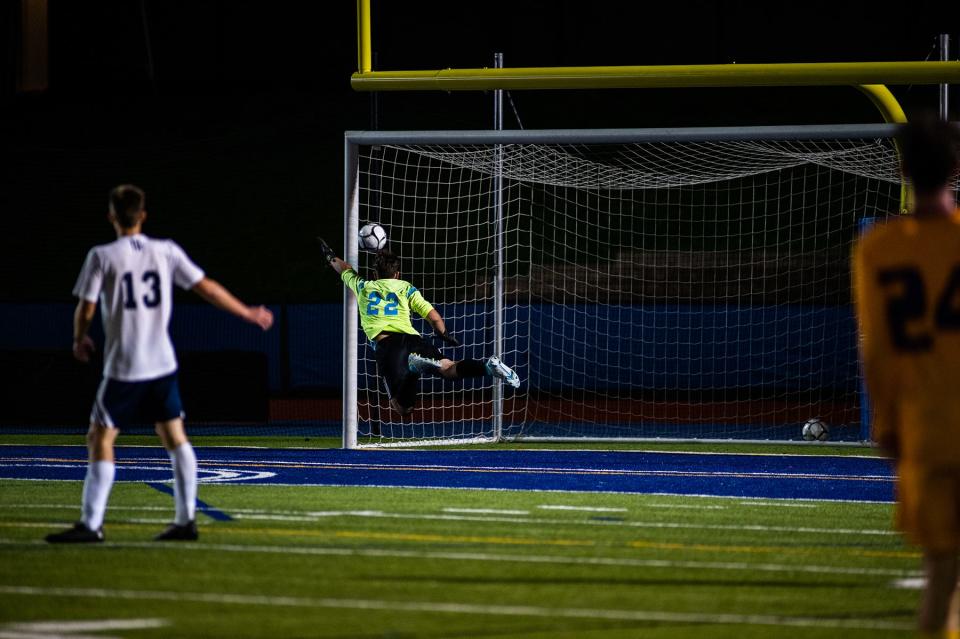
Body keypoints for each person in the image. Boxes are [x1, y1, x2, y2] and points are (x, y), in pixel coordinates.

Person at [46, 185, 274, 543]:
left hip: (124, 366)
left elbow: (87, 307)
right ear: (143, 216)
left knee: (100, 436)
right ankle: (186, 520)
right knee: (174, 437)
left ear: (111, 216)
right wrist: (247, 312)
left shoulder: (102, 256)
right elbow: (207, 287)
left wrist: (79, 339)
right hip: (162, 364)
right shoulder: (165, 251)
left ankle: (91, 525)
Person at [853, 118, 960, 638]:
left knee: (941, 571)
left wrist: (886, 427)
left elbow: (876, 350)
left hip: (927, 432)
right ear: (954, 169)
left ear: (902, 171)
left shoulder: (878, 248)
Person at [318, 240, 519, 416]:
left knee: (402, 408)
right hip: (414, 339)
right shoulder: (406, 288)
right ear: (397, 274)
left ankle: (414, 369)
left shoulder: (363, 287)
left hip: (388, 344)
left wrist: (330, 257)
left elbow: (346, 269)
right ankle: (486, 367)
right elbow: (433, 316)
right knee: (448, 368)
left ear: (374, 273)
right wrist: (444, 334)